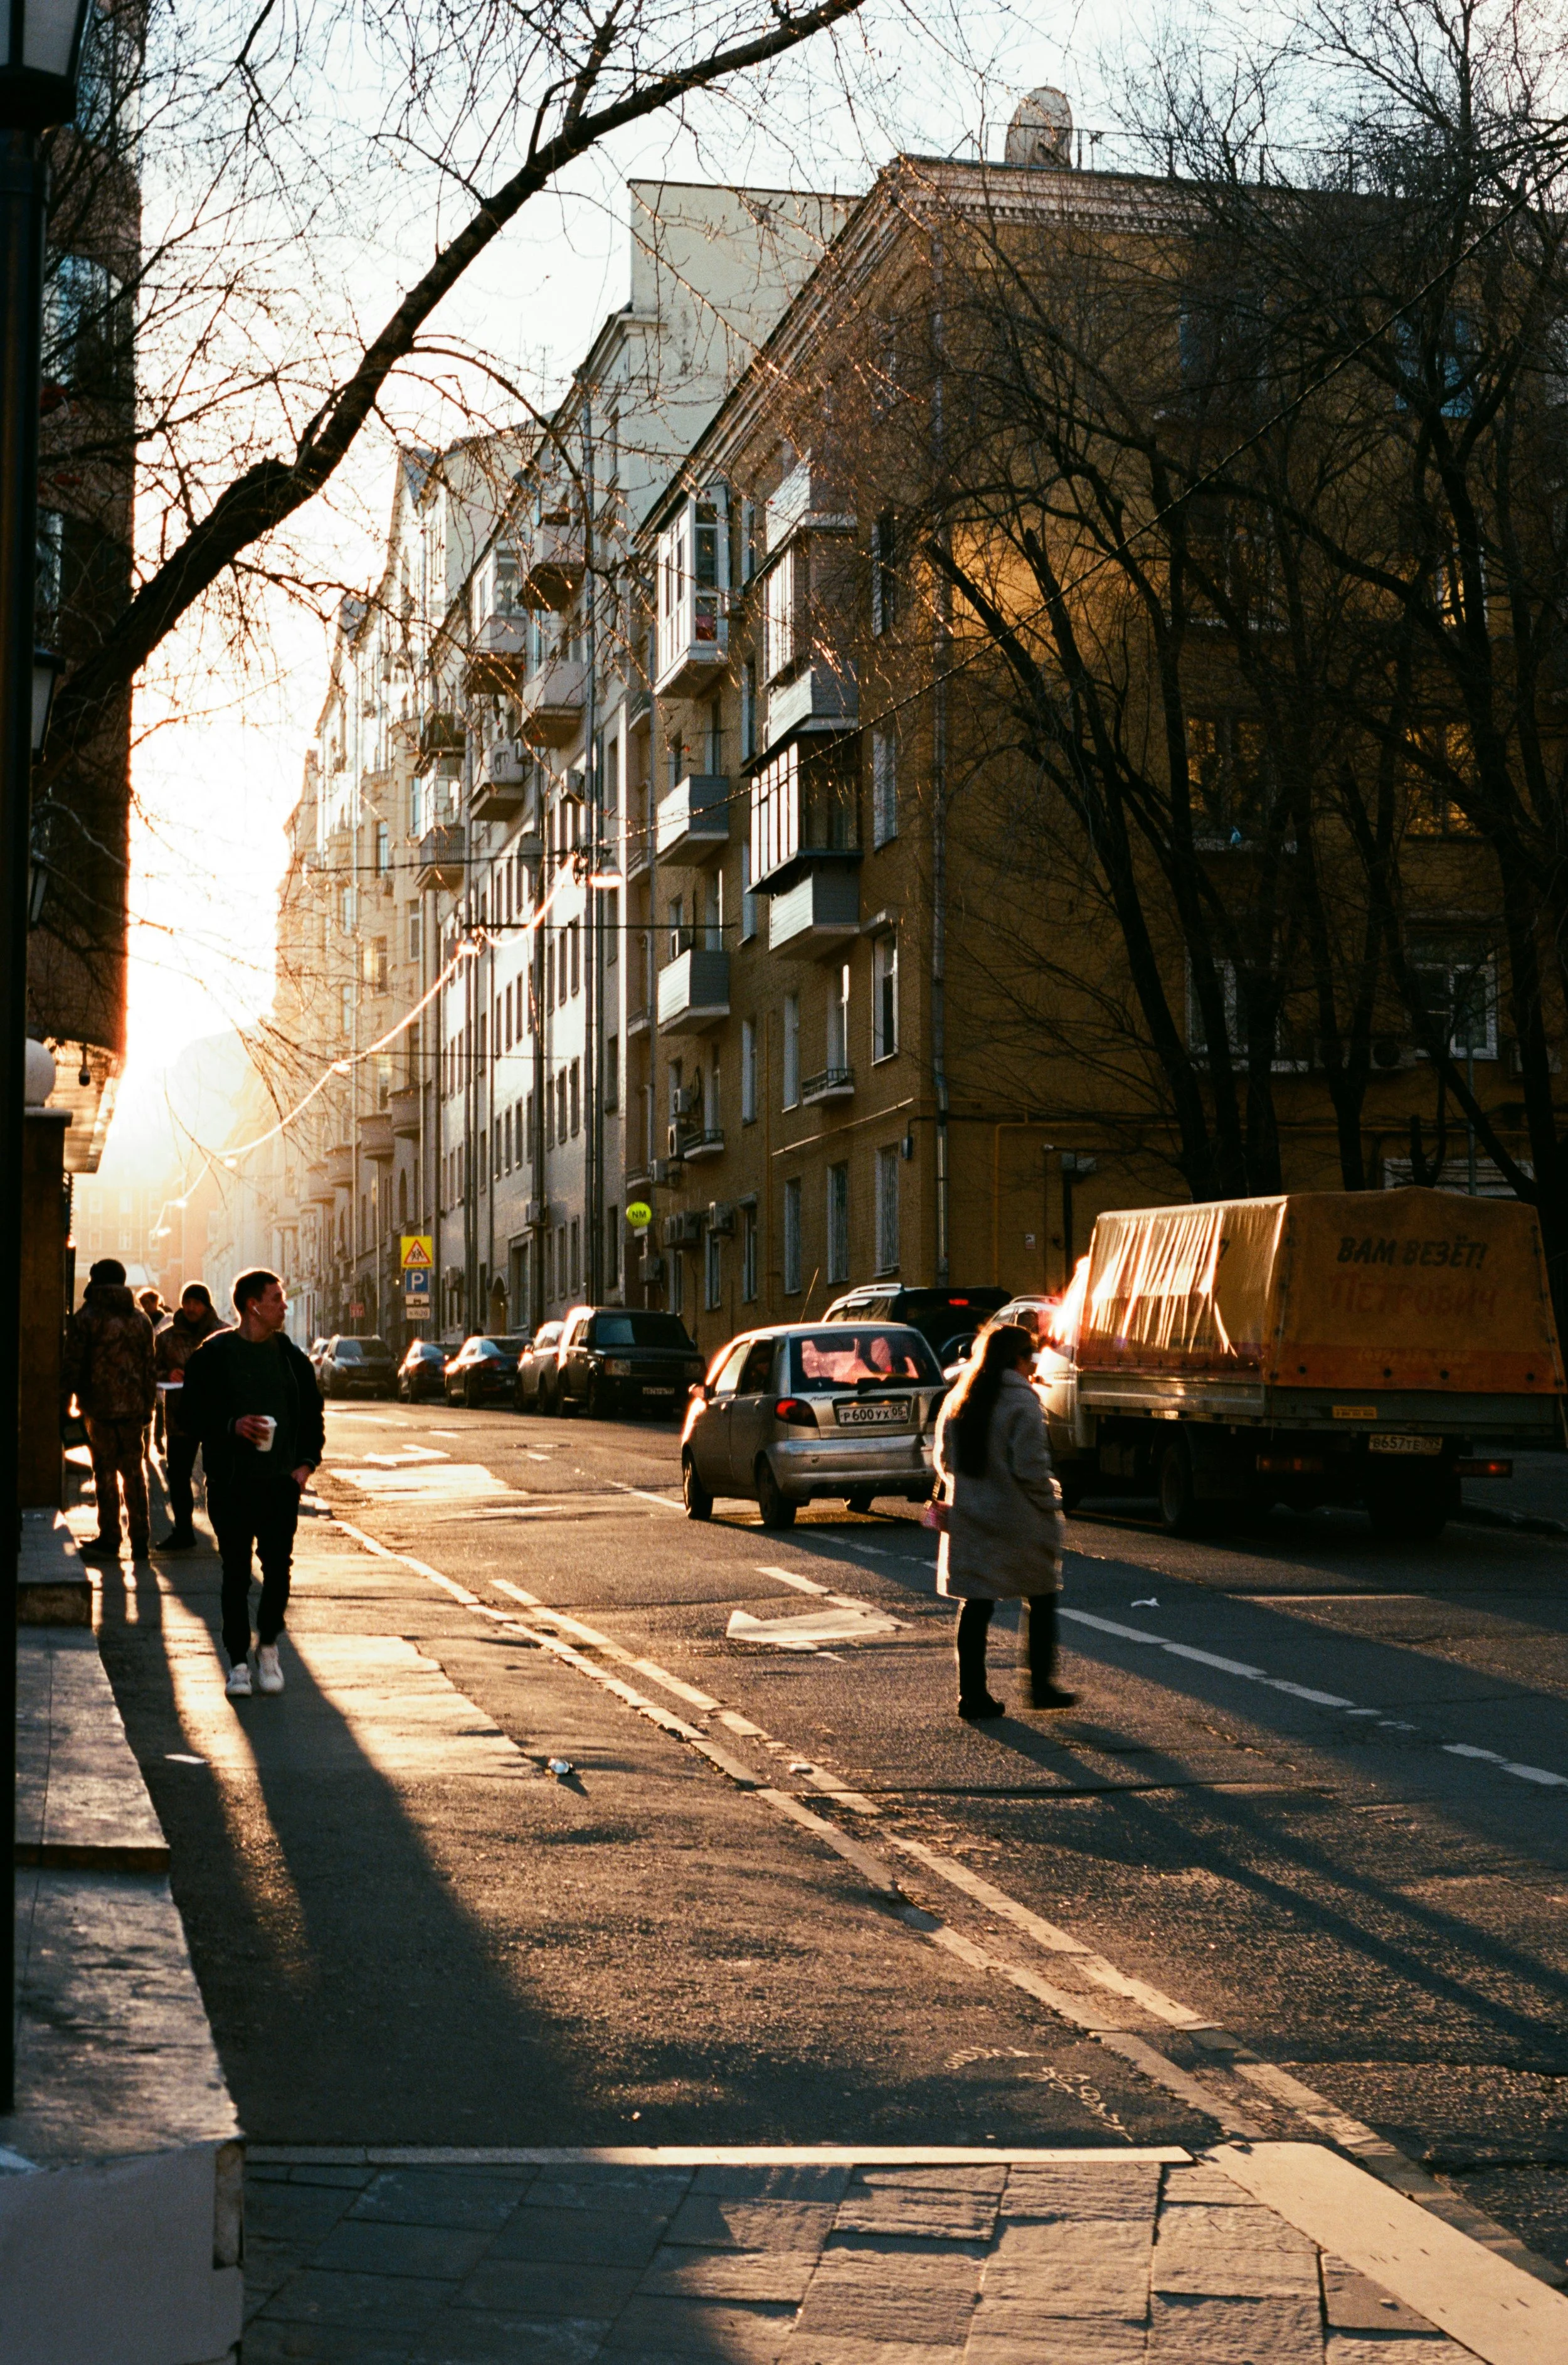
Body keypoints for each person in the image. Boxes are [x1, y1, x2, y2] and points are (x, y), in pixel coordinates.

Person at [180, 1268, 323, 1700]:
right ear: (253, 1305)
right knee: (236, 1573)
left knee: (278, 1570)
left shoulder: (290, 1358)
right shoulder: (214, 1355)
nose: (284, 1305)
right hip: (231, 1482)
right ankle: (239, 1663)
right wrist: (231, 1425)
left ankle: (269, 1648)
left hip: (281, 1483)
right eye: (276, 1298)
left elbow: (313, 1415)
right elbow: (188, 1417)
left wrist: (305, 1465)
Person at [932, 1322, 1077, 1720]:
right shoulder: (1022, 1402)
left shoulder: (961, 1396)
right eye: (1030, 1356)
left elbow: (943, 1459)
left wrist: (968, 1491)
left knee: (976, 1604)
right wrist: (1051, 1502)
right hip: (1019, 1519)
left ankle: (972, 1696)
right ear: (1016, 1359)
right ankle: (1040, 1687)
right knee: (1041, 1595)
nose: (1033, 1365)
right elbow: (1030, 1467)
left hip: (971, 1518)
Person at [61, 1258, 157, 1561]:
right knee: (134, 1473)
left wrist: (67, 1403)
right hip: (133, 1409)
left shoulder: (86, 1317)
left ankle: (110, 1537)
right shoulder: (140, 1319)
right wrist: (148, 1406)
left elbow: (72, 1365)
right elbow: (149, 1366)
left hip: (99, 1409)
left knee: (104, 1472)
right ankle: (140, 1539)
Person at [154, 1283, 228, 1551]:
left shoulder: (224, 1333)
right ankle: (183, 1531)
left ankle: (227, 1533)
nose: (191, 1307)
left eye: (197, 1302)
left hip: (217, 1418)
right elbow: (149, 1368)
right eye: (188, 1302)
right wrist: (167, 1374)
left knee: (219, 1477)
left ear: (206, 1305)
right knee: (179, 1476)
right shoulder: (167, 1337)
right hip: (179, 1417)